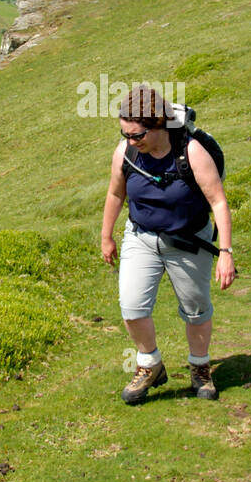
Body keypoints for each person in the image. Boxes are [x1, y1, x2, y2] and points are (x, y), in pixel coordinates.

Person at [101, 85, 236, 405]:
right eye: (125, 133)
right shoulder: (126, 152)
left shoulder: (191, 152)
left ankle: (200, 368)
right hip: (141, 238)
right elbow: (115, 194)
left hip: (189, 243)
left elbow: (218, 202)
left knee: (196, 310)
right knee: (132, 308)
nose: (130, 141)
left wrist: (226, 253)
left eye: (137, 135)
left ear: (159, 124)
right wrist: (106, 236)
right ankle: (150, 365)